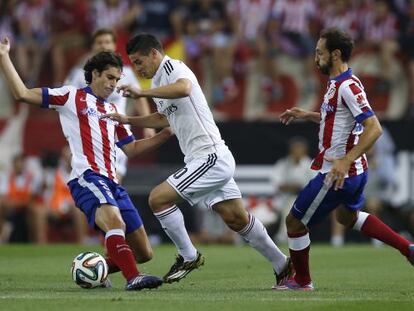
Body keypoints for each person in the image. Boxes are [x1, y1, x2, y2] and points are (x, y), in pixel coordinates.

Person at [102, 33, 293, 288]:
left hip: (209, 156)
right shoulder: (159, 81)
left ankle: (188, 255)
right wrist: (128, 121)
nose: (137, 68)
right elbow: (164, 118)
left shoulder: (173, 68)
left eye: (139, 62)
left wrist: (142, 94)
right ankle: (284, 266)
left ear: (154, 54)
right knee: (236, 218)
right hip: (207, 159)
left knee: (157, 199)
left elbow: (184, 88)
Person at [0, 37, 174, 291]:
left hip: (113, 182)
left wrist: (165, 134)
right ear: (94, 74)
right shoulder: (71, 96)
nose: (114, 84)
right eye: (110, 78)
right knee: (116, 224)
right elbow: (23, 94)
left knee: (145, 252)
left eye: (117, 79)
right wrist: (4, 55)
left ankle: (93, 268)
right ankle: (133, 278)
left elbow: (132, 149)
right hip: (87, 178)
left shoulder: (114, 111)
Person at [276, 28, 414, 291]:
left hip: (338, 172)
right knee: (347, 218)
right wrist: (307, 114)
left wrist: (345, 160)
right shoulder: (338, 83)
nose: (315, 58)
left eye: (319, 53)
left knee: (294, 222)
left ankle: (302, 281)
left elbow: (374, 128)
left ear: (335, 54)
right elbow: (337, 119)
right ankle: (406, 247)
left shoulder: (347, 86)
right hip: (356, 173)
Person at [65, 28, 155, 183]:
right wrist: (69, 140)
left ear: (114, 45)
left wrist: (148, 125)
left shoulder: (125, 73)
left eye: (107, 42)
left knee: (114, 184)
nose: (103, 46)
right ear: (92, 46)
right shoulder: (79, 74)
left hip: (117, 135)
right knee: (90, 189)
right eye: (99, 42)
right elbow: (68, 105)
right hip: (88, 136)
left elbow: (139, 98)